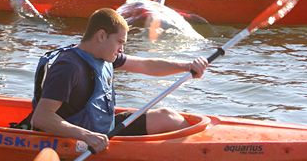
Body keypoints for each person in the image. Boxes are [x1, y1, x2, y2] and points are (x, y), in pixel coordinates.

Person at [30, 8, 208, 150]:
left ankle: (196, 151)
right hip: (78, 140)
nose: (122, 49)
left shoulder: (104, 56)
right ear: (101, 36)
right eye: (120, 42)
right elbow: (42, 118)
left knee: (167, 117)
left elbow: (147, 65)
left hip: (101, 129)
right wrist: (86, 135)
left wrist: (185, 66)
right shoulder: (68, 67)